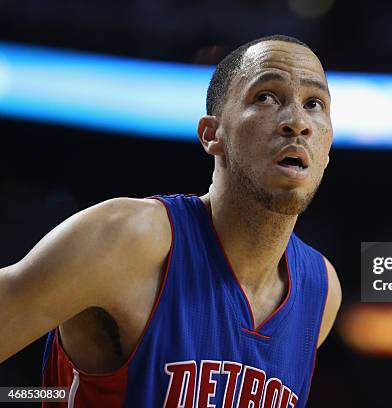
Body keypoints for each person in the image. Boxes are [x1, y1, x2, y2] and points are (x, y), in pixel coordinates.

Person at [0, 34, 342, 407]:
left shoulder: (321, 291)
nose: (297, 122)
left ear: (327, 148)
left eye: (314, 104)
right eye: (266, 97)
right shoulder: (129, 239)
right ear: (212, 135)